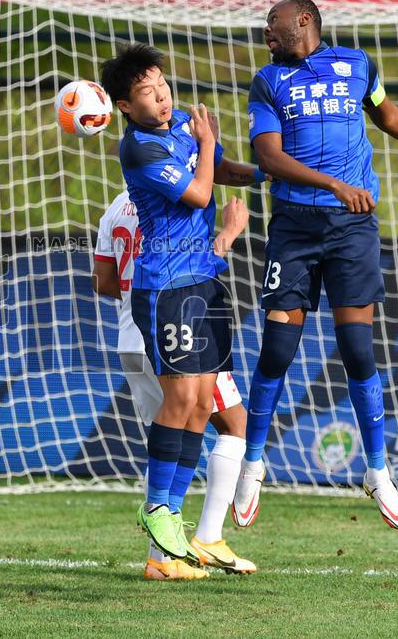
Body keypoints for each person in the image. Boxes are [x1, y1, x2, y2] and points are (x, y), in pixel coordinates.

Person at [233, 0, 398, 530]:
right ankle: (253, 463)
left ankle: (377, 471)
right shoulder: (268, 81)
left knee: (357, 349)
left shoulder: (357, 64)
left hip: (353, 229)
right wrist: (332, 184)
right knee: (278, 348)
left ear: (303, 21)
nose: (266, 31)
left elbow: (385, 113)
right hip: (295, 227)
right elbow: (267, 156)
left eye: (273, 23)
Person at [99, 43, 268, 565]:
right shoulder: (139, 149)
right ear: (126, 107)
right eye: (147, 93)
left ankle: (174, 520)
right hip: (167, 286)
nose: (161, 97)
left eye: (162, 85)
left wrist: (273, 173)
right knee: (180, 402)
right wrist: (209, 139)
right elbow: (199, 192)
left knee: (201, 405)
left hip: (205, 279)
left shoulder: (178, 130)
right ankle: (157, 507)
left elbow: (222, 169)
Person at [93, 189, 257, 580]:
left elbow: (102, 282)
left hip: (131, 338)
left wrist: (138, 295)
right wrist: (231, 232)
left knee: (164, 437)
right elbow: (194, 269)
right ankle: (208, 537)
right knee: (235, 425)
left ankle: (162, 559)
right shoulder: (175, 203)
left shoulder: (115, 207)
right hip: (175, 332)